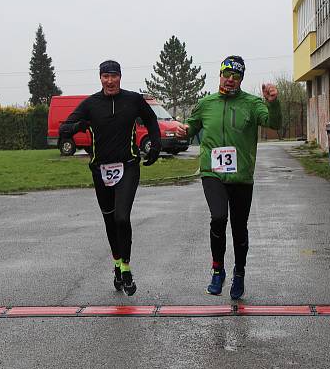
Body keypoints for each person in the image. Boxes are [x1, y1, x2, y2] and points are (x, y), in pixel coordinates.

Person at [176, 55, 281, 299]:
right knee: (218, 217)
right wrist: (185, 130)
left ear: (241, 79)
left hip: (241, 177)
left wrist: (273, 103)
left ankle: (239, 273)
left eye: (236, 77)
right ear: (220, 75)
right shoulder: (206, 103)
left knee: (239, 227)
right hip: (212, 173)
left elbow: (274, 124)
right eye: (227, 75)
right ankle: (217, 270)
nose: (230, 80)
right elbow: (192, 126)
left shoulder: (252, 104)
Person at [59, 60, 161, 295]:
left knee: (122, 218)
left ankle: (126, 269)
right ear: (100, 78)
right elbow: (65, 128)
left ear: (120, 77)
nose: (110, 80)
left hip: (128, 167)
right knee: (109, 220)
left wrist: (155, 146)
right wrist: (80, 125)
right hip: (101, 170)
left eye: (114, 76)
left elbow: (151, 120)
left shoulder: (133, 100)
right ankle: (117, 264)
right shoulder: (91, 104)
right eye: (106, 76)